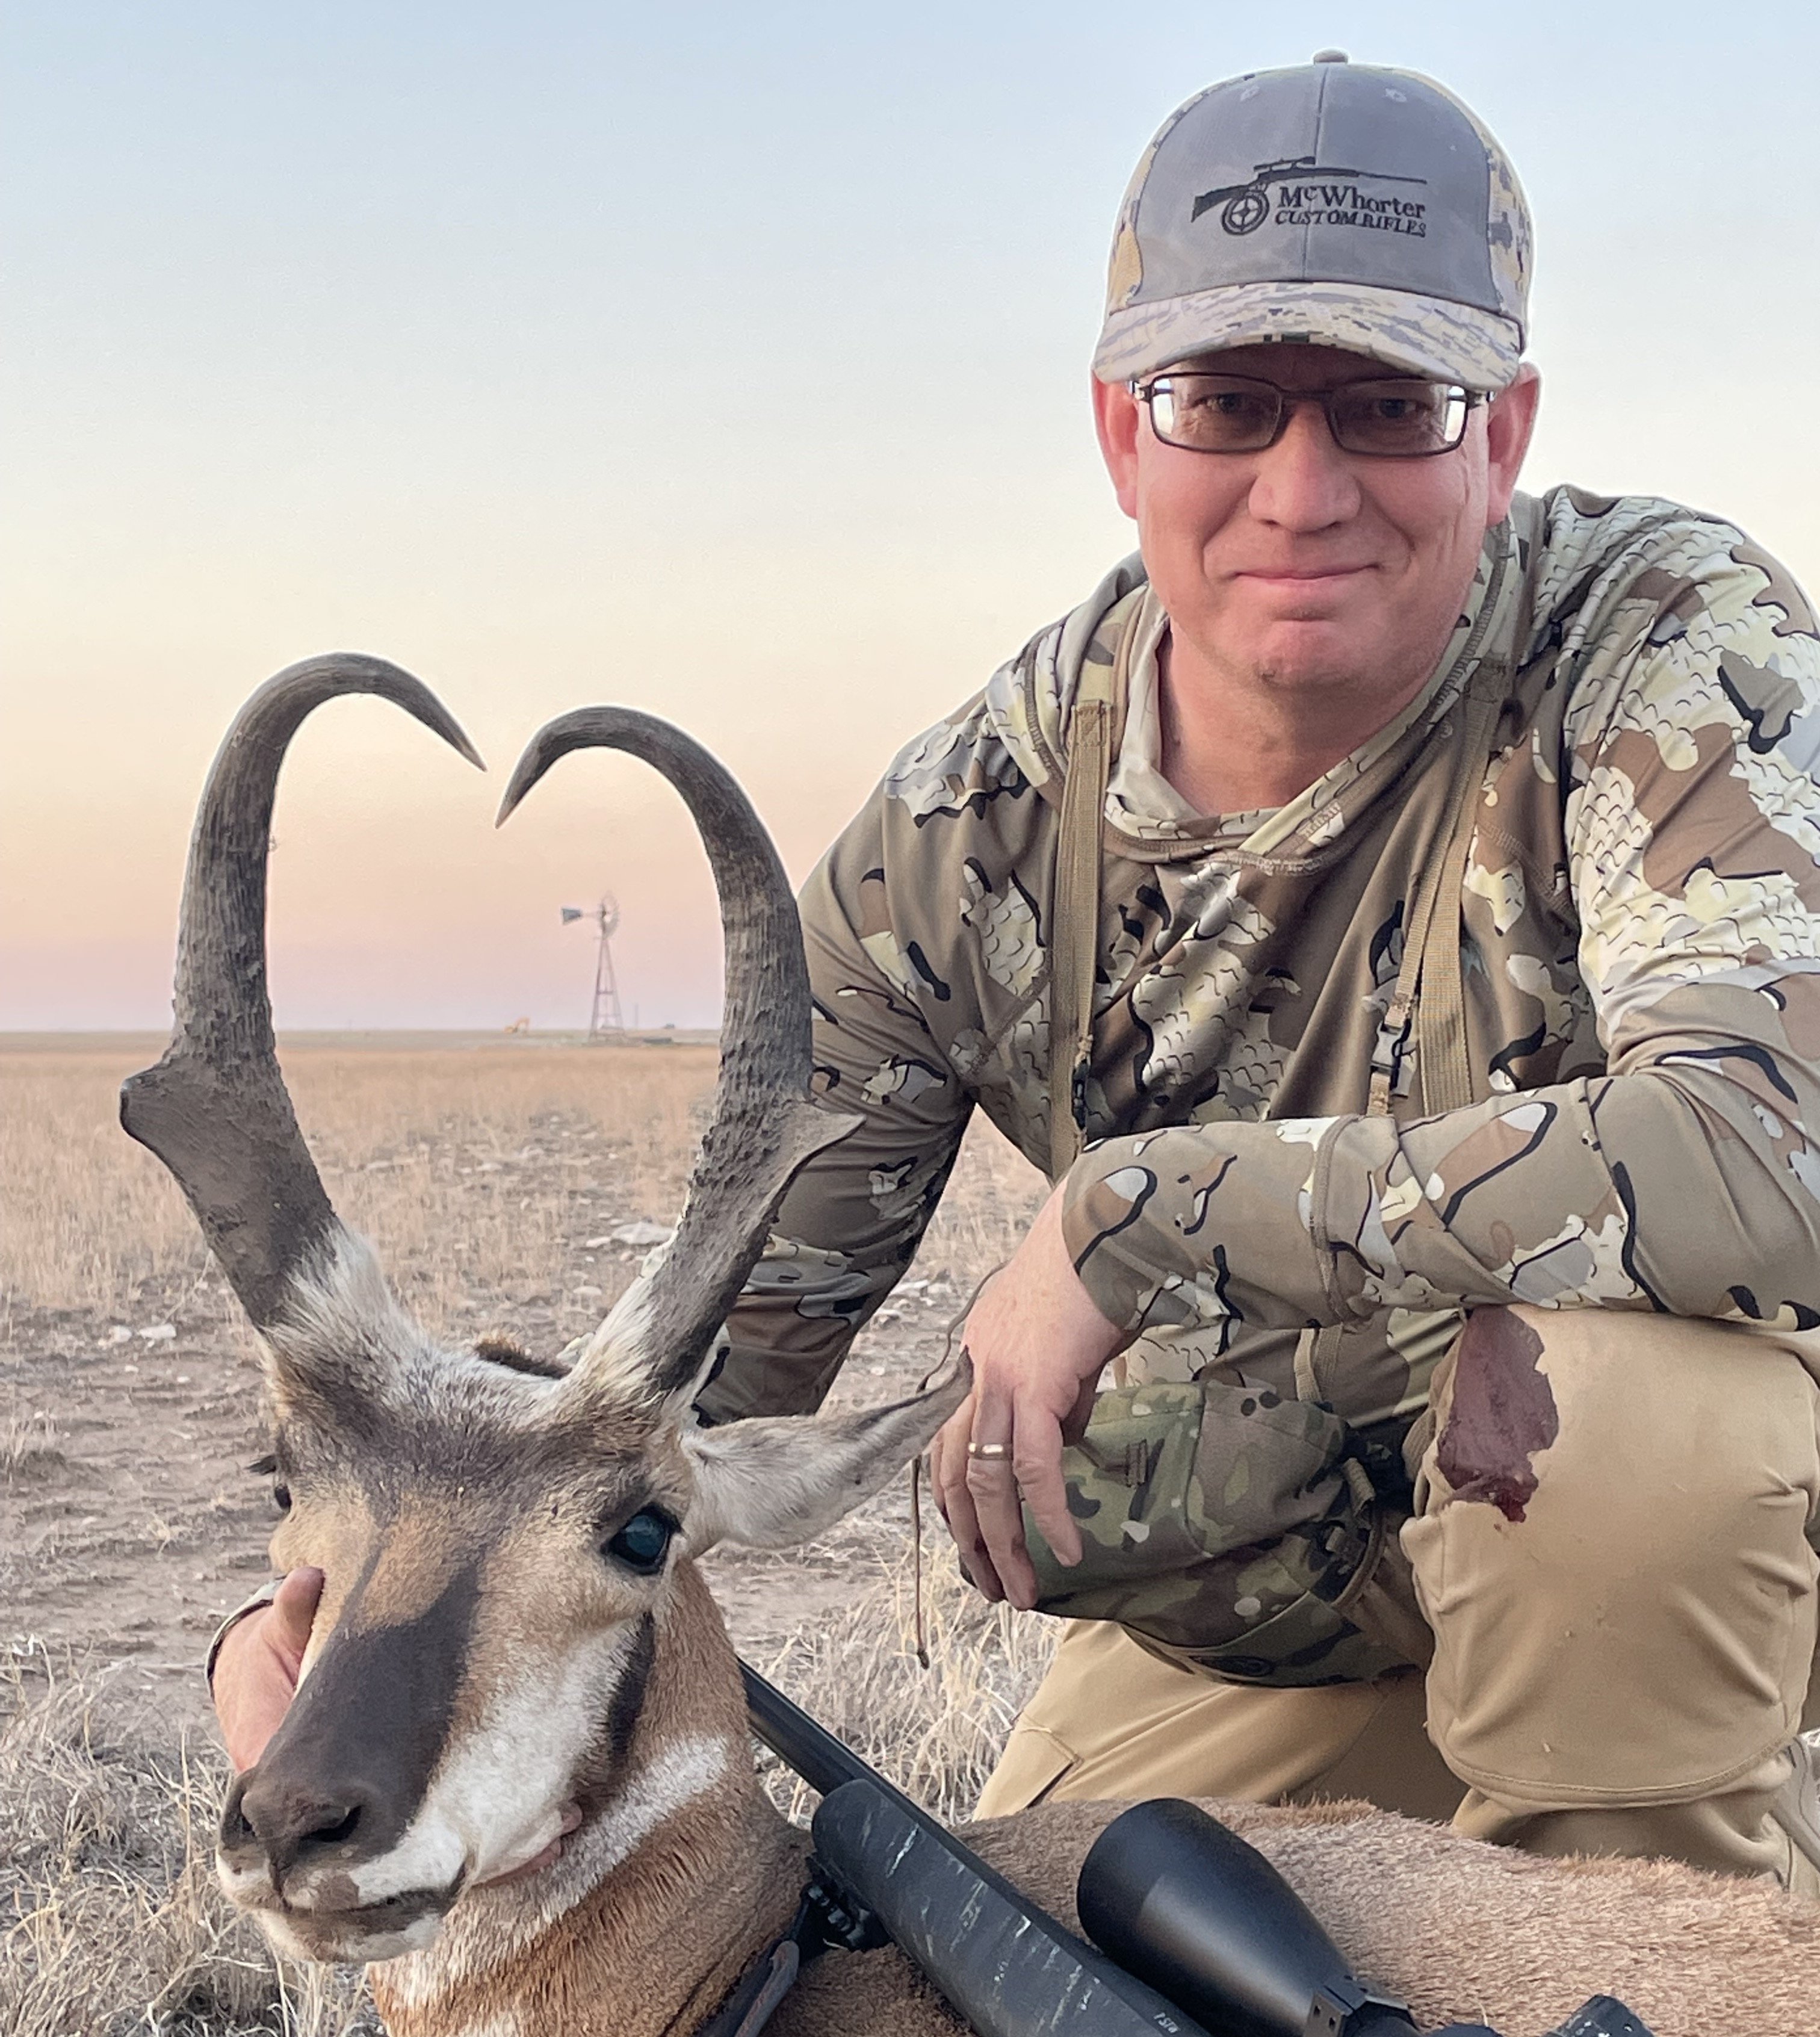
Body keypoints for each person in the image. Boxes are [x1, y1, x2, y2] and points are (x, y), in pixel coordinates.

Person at [215, 56, 1820, 1894]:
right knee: (1023, 2002)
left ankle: (1683, 2031)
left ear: (1504, 431)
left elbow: (1768, 1152)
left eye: (1390, 405)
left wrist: (1140, 1215)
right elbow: (682, 1406)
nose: (1304, 489)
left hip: (1636, 1554)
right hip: (1272, 1617)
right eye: (1228, 404)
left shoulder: (1670, 645)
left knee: (1617, 1442)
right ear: (1124, 432)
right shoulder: (971, 825)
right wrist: (333, 1602)